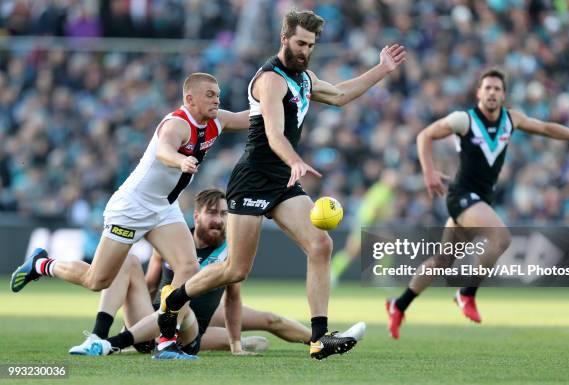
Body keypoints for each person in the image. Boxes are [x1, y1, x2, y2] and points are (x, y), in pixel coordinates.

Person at [157, 10, 406, 360]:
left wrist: (382, 69)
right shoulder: (270, 80)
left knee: (321, 244)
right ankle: (174, 298)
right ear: (284, 38)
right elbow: (273, 133)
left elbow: (339, 95)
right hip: (253, 179)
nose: (305, 50)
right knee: (235, 270)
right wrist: (295, 161)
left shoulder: (304, 78)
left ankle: (319, 338)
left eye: (311, 45)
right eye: (301, 42)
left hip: (282, 181)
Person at [10, 73, 250, 357]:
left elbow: (249, 118)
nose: (216, 99)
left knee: (188, 269)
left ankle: (166, 340)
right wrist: (180, 160)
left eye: (217, 93)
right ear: (190, 99)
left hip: (163, 206)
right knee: (96, 280)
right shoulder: (177, 123)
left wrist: (284, 101)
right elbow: (163, 150)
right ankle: (41, 265)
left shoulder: (217, 120)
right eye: (210, 94)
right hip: (133, 207)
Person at [385, 68, 569, 339]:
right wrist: (429, 172)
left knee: (443, 260)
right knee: (501, 237)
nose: (491, 93)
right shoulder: (463, 119)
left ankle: (399, 304)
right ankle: (467, 293)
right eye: (487, 88)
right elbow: (424, 136)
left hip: (479, 199)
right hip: (461, 197)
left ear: (504, 95)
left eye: (497, 89)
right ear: (479, 92)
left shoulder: (511, 119)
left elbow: (546, 128)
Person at [69, 188, 365, 359]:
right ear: (195, 216)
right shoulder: (171, 243)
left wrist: (236, 345)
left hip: (199, 322)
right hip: (163, 322)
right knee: (150, 278)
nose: (220, 220)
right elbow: (148, 285)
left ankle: (322, 339)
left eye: (225, 214)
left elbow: (233, 299)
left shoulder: (231, 251)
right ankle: (109, 339)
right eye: (213, 213)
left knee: (270, 320)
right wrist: (139, 313)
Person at [330, 168, 399, 287]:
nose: (395, 180)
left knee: (389, 244)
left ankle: (381, 278)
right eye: (392, 177)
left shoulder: (386, 191)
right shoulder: (382, 190)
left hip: (371, 224)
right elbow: (375, 211)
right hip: (365, 223)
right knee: (352, 251)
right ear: (385, 178)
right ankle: (331, 274)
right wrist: (388, 214)